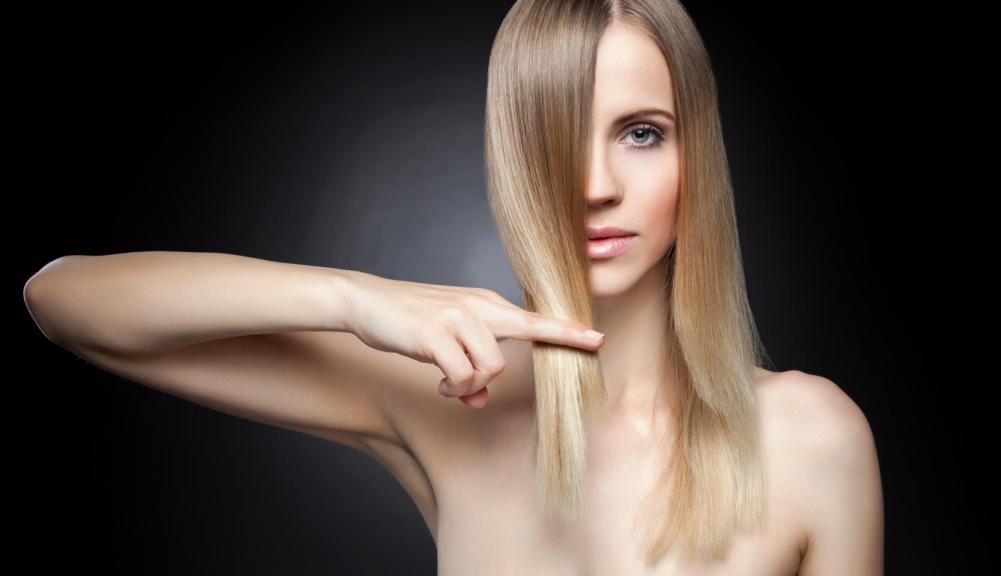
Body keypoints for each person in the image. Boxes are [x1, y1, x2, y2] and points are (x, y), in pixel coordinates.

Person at [22, 0, 883, 574]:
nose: (594, 183)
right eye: (554, 134)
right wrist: (356, 300)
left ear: (696, 151)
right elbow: (63, 300)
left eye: (641, 133)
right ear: (512, 158)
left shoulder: (812, 439)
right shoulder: (447, 407)